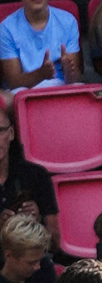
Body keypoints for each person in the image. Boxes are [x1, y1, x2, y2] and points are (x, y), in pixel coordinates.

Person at [0, 0, 79, 91]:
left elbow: (74, 79)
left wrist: (69, 71)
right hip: (23, 92)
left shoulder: (68, 21)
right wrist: (41, 74)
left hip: (61, 89)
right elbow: (13, 82)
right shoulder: (6, 28)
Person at [0, 104, 58, 251]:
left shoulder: (36, 175)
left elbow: (54, 243)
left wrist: (36, 222)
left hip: (31, 260)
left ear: (11, 133)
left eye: (0, 131)